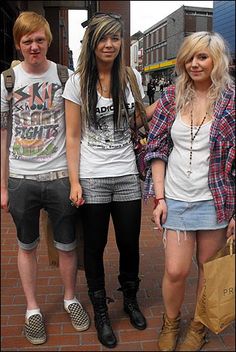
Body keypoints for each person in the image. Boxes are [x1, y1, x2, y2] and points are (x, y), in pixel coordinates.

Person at [62, 12, 157, 349]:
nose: (110, 44)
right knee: (95, 246)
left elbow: (135, 122)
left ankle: (129, 298)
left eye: (115, 38)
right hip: (93, 177)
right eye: (103, 38)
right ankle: (101, 309)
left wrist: (163, 104)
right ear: (92, 43)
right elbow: (72, 137)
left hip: (127, 175)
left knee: (130, 243)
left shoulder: (130, 77)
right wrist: (75, 181)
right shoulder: (78, 82)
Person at [1, 11, 90, 345]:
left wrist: (76, 178)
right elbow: (3, 135)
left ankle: (70, 298)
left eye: (39, 40)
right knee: (27, 245)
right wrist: (3, 186)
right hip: (21, 178)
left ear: (48, 41)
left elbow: (74, 132)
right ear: (19, 44)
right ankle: (32, 309)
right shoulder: (7, 81)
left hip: (58, 176)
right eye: (27, 41)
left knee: (67, 244)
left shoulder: (66, 76)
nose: (34, 46)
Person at [144, 31, 235, 351]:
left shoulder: (232, 100)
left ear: (216, 61)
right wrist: (159, 197)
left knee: (209, 270)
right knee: (175, 269)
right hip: (176, 198)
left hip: (216, 200)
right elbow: (155, 147)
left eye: (203, 57)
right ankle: (172, 322)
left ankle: (198, 325)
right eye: (190, 57)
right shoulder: (171, 96)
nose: (195, 64)